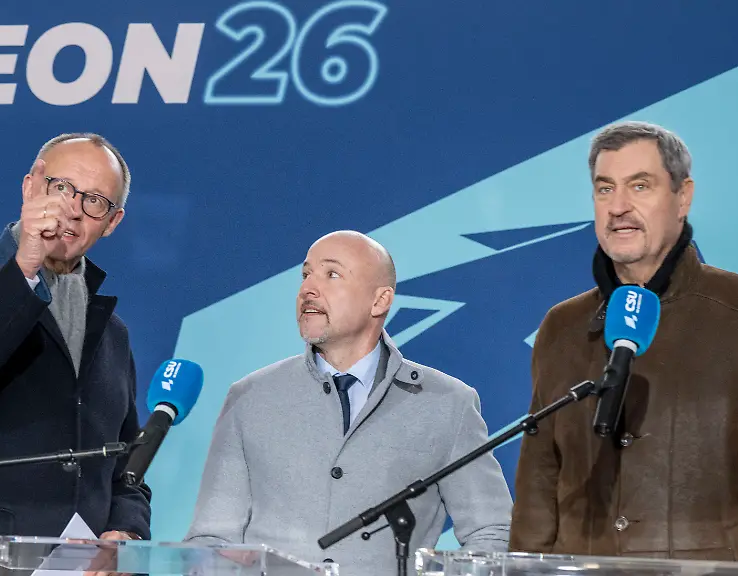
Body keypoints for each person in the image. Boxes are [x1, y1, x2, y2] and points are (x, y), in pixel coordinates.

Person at [509, 121, 738, 572]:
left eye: (640, 185)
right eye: (604, 189)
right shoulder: (563, 327)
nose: (618, 207)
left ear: (683, 196)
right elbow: (539, 487)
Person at [185, 230, 513, 575]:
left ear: (380, 301)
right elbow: (211, 539)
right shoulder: (250, 397)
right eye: (306, 274)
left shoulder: (448, 403)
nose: (308, 289)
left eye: (332, 274)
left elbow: (491, 532)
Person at [0, 133, 150, 564]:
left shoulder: (114, 334)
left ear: (112, 223)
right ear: (30, 187)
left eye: (95, 201)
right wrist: (24, 268)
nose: (73, 209)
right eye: (61, 188)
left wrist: (126, 530)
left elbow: (124, 465)